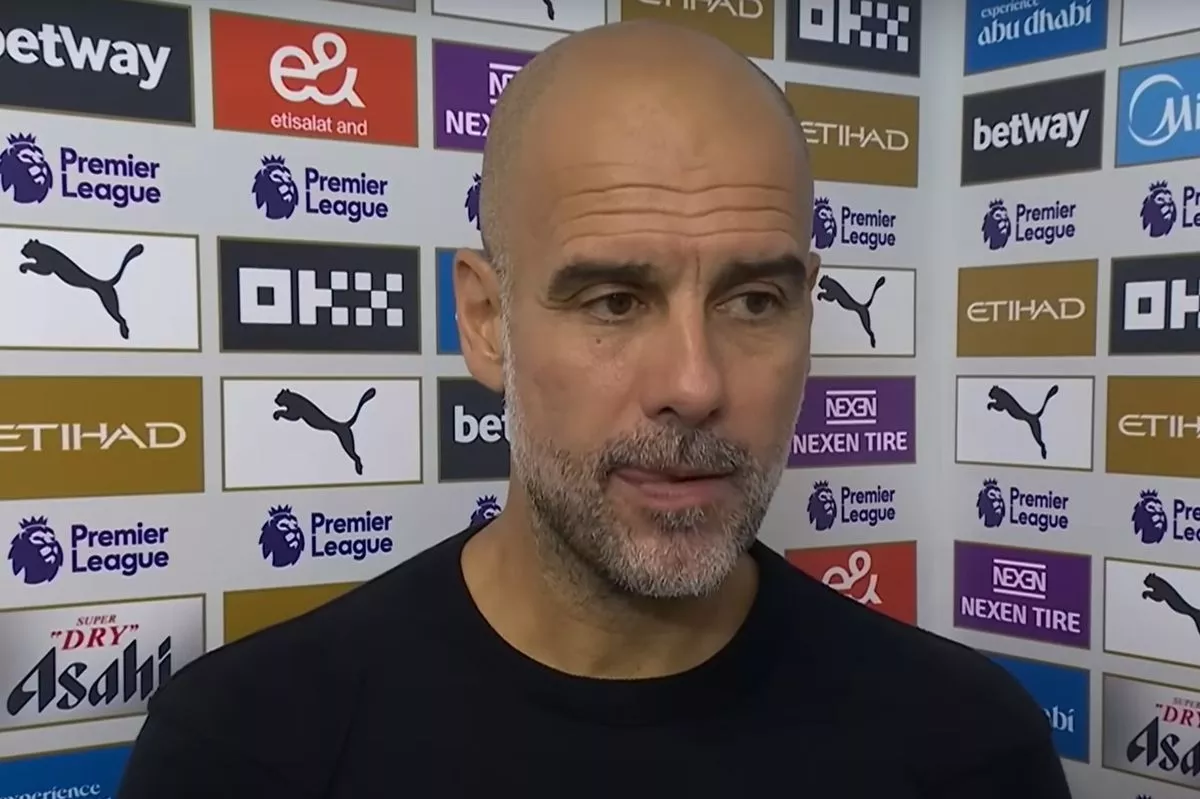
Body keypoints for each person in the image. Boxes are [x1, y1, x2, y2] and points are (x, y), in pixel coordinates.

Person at [118, 20, 1073, 799]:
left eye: (754, 301)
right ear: (487, 324)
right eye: (615, 300)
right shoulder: (243, 750)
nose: (694, 383)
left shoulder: (968, 748)